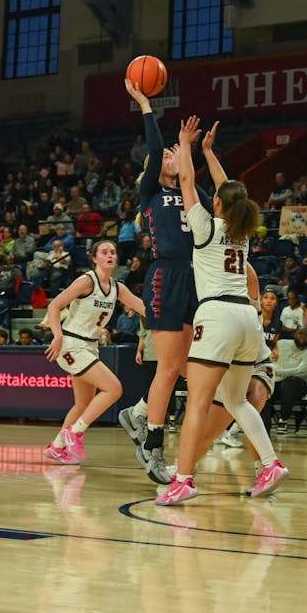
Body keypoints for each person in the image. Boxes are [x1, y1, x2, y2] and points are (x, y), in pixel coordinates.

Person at [157, 115, 287, 506]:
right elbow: (228, 190)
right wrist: (209, 152)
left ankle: (184, 480)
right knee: (236, 400)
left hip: (217, 317)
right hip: (247, 319)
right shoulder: (240, 231)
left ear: (216, 203)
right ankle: (270, 464)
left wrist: (186, 145)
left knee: (197, 402)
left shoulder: (205, 227)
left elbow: (186, 181)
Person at [118, 81, 218, 485]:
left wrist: (196, 151)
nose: (172, 156)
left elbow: (220, 198)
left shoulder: (194, 194)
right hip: (165, 275)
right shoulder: (150, 192)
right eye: (168, 156)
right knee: (169, 366)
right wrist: (146, 104)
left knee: (185, 366)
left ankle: (140, 413)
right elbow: (157, 148)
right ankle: (153, 445)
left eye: (175, 154)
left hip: (196, 278)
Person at [43, 239, 146, 464]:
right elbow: (54, 306)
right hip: (71, 344)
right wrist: (57, 335)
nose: (110, 255)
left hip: (90, 346)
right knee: (114, 388)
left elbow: (143, 308)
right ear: (94, 258)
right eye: (104, 252)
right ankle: (75, 432)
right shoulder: (86, 281)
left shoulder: (118, 288)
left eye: (113, 252)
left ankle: (57, 446)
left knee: (83, 404)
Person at [271, 328, 307, 433]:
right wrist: (276, 372)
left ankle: (283, 420)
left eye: (306, 335)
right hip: (277, 382)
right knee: (262, 383)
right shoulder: (281, 344)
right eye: (300, 333)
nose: (302, 337)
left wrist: (280, 372)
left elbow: (302, 372)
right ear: (295, 334)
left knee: (290, 382)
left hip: (299, 386)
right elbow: (270, 360)